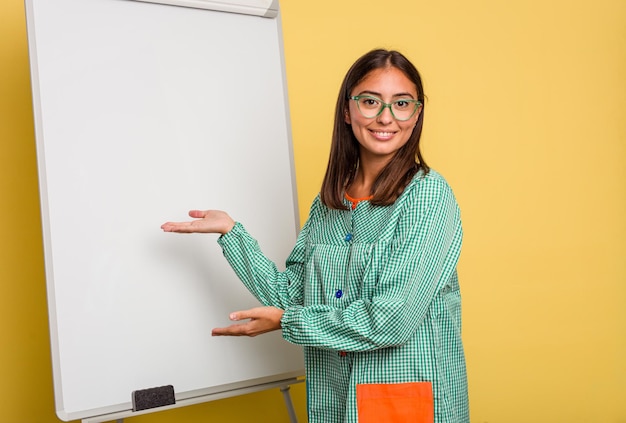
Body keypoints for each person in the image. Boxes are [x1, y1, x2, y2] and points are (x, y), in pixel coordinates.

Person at [162, 48, 469, 423]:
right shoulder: (328, 204)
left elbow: (391, 320)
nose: (386, 117)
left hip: (405, 408)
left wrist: (289, 322)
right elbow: (292, 296)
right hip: (334, 402)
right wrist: (231, 233)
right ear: (347, 110)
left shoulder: (427, 196)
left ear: (416, 113)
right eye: (371, 101)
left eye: (401, 103)